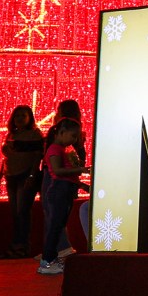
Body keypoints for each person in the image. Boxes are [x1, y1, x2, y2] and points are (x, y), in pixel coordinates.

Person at [38, 117, 86, 275]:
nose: (75, 140)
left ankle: (52, 258)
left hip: (65, 190)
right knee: (55, 227)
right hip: (59, 190)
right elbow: (57, 171)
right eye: (73, 136)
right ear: (62, 132)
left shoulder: (64, 150)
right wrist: (82, 170)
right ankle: (47, 261)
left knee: (58, 227)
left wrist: (83, 184)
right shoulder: (54, 149)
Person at [0, 105, 43, 258]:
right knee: (16, 213)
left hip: (25, 176)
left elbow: (37, 157)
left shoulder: (35, 134)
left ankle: (22, 245)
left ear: (30, 118)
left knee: (22, 211)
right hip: (11, 176)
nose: (20, 119)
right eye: (17, 116)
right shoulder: (11, 135)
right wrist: (0, 176)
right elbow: (8, 157)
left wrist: (31, 176)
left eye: (23, 115)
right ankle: (17, 244)